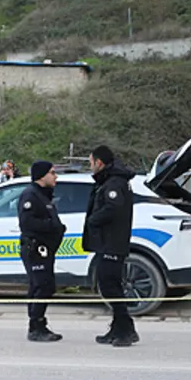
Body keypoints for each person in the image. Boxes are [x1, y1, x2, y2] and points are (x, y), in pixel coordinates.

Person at [85, 146, 139, 347]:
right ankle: (119, 327)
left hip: (112, 243)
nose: (90, 167)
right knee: (109, 285)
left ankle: (125, 329)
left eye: (91, 162)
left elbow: (113, 208)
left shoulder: (115, 183)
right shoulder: (109, 180)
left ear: (99, 163)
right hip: (106, 243)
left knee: (110, 286)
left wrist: (93, 220)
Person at [19, 161, 66, 342]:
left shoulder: (44, 195)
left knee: (42, 286)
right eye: (52, 173)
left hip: (45, 248)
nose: (56, 177)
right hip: (35, 247)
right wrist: (53, 226)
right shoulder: (31, 195)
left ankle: (38, 323)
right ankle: (36, 326)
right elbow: (27, 223)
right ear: (41, 175)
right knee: (42, 286)